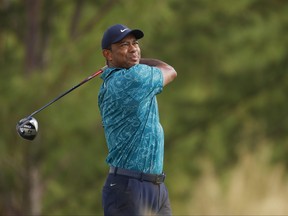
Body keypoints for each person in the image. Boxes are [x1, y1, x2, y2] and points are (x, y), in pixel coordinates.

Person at [98, 24, 177, 216]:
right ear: (108, 54)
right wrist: (139, 61)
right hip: (128, 186)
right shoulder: (127, 81)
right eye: (124, 45)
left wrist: (128, 60)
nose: (133, 48)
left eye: (135, 43)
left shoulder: (127, 77)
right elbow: (169, 70)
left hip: (154, 186)